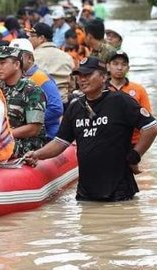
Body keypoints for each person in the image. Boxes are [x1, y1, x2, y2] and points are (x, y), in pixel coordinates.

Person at [25, 57, 157, 202]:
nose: (82, 80)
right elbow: (60, 143)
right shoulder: (75, 107)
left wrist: (135, 156)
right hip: (85, 194)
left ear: (103, 76)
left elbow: (150, 127)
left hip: (119, 193)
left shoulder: (120, 101)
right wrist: (37, 154)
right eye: (79, 75)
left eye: (88, 75)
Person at [0, 46, 48, 158]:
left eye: (2, 63)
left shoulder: (32, 90)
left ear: (17, 65)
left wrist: (2, 136)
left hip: (27, 143)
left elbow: (34, 128)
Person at [10, 38, 63, 140]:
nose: (14, 60)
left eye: (18, 56)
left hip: (46, 136)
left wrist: (29, 121)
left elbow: (56, 108)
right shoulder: (16, 78)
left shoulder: (40, 77)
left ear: (29, 58)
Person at [106, 50, 152, 144]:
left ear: (128, 68)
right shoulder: (101, 90)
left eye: (123, 64)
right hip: (107, 141)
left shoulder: (139, 90)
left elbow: (149, 122)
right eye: (115, 64)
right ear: (108, 67)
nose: (119, 68)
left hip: (133, 142)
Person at [27, 23, 74, 107]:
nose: (29, 39)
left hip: (39, 105)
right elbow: (72, 85)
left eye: (31, 36)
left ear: (41, 38)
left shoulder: (31, 57)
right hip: (63, 104)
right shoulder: (67, 57)